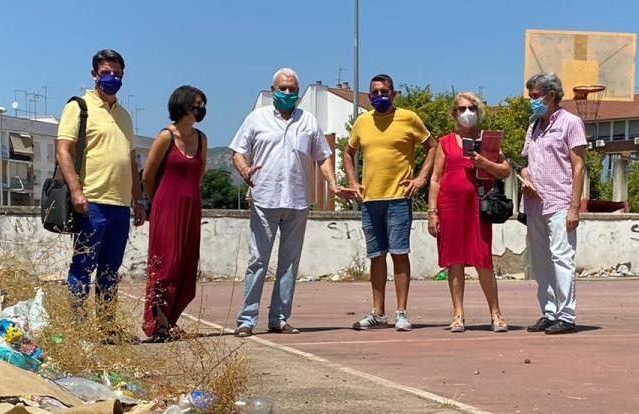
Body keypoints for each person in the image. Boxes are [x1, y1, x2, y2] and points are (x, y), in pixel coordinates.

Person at [229, 68, 350, 336]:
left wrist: (333, 183)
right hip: (264, 199)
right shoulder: (256, 119)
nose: (287, 93)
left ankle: (279, 318)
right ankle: (246, 320)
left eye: (292, 89)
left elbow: (323, 156)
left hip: (297, 201)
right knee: (258, 260)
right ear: (272, 90)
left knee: (289, 263)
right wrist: (244, 170)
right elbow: (237, 151)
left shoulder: (308, 121)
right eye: (282, 88)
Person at [342, 74, 436, 332]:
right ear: (369, 96)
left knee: (399, 253)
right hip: (370, 200)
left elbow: (432, 146)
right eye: (375, 93)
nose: (380, 97)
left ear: (394, 94)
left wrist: (420, 178)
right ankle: (378, 312)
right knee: (376, 256)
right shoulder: (362, 121)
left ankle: (402, 312)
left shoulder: (408, 118)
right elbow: (348, 153)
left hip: (398, 199)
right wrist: (353, 182)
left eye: (385, 92)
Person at [56, 49, 146, 315]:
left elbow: (131, 161)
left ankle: (107, 326)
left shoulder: (125, 116)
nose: (111, 78)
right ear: (94, 74)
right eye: (106, 73)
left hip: (120, 206)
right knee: (83, 265)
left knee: (110, 269)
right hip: (91, 202)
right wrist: (76, 191)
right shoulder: (78, 107)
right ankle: (78, 324)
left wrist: (138, 200)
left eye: (116, 74)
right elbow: (63, 150)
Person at [427, 92, 512, 333]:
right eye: (462, 108)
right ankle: (457, 315)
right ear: (454, 113)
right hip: (450, 206)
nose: (467, 113)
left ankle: (496, 314)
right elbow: (435, 179)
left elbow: (505, 170)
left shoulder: (488, 140)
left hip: (477, 206)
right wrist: (432, 212)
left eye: (472, 108)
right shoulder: (444, 142)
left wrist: (484, 163)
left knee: (483, 259)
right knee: (454, 261)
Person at [520, 72, 587, 335]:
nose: (532, 102)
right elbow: (527, 164)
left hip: (559, 201)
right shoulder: (534, 125)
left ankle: (566, 314)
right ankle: (549, 311)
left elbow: (579, 166)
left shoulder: (571, 123)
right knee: (540, 260)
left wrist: (574, 207)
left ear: (550, 95)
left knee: (561, 257)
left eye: (535, 97)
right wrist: (525, 176)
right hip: (534, 204)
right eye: (530, 97)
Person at [140, 86, 208, 342]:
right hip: (166, 206)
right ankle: (158, 322)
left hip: (191, 208)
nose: (200, 110)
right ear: (182, 107)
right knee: (165, 265)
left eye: (202, 105)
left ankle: (171, 320)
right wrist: (158, 200)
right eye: (196, 105)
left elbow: (198, 176)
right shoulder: (165, 137)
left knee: (186, 265)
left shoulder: (201, 139)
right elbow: (148, 175)